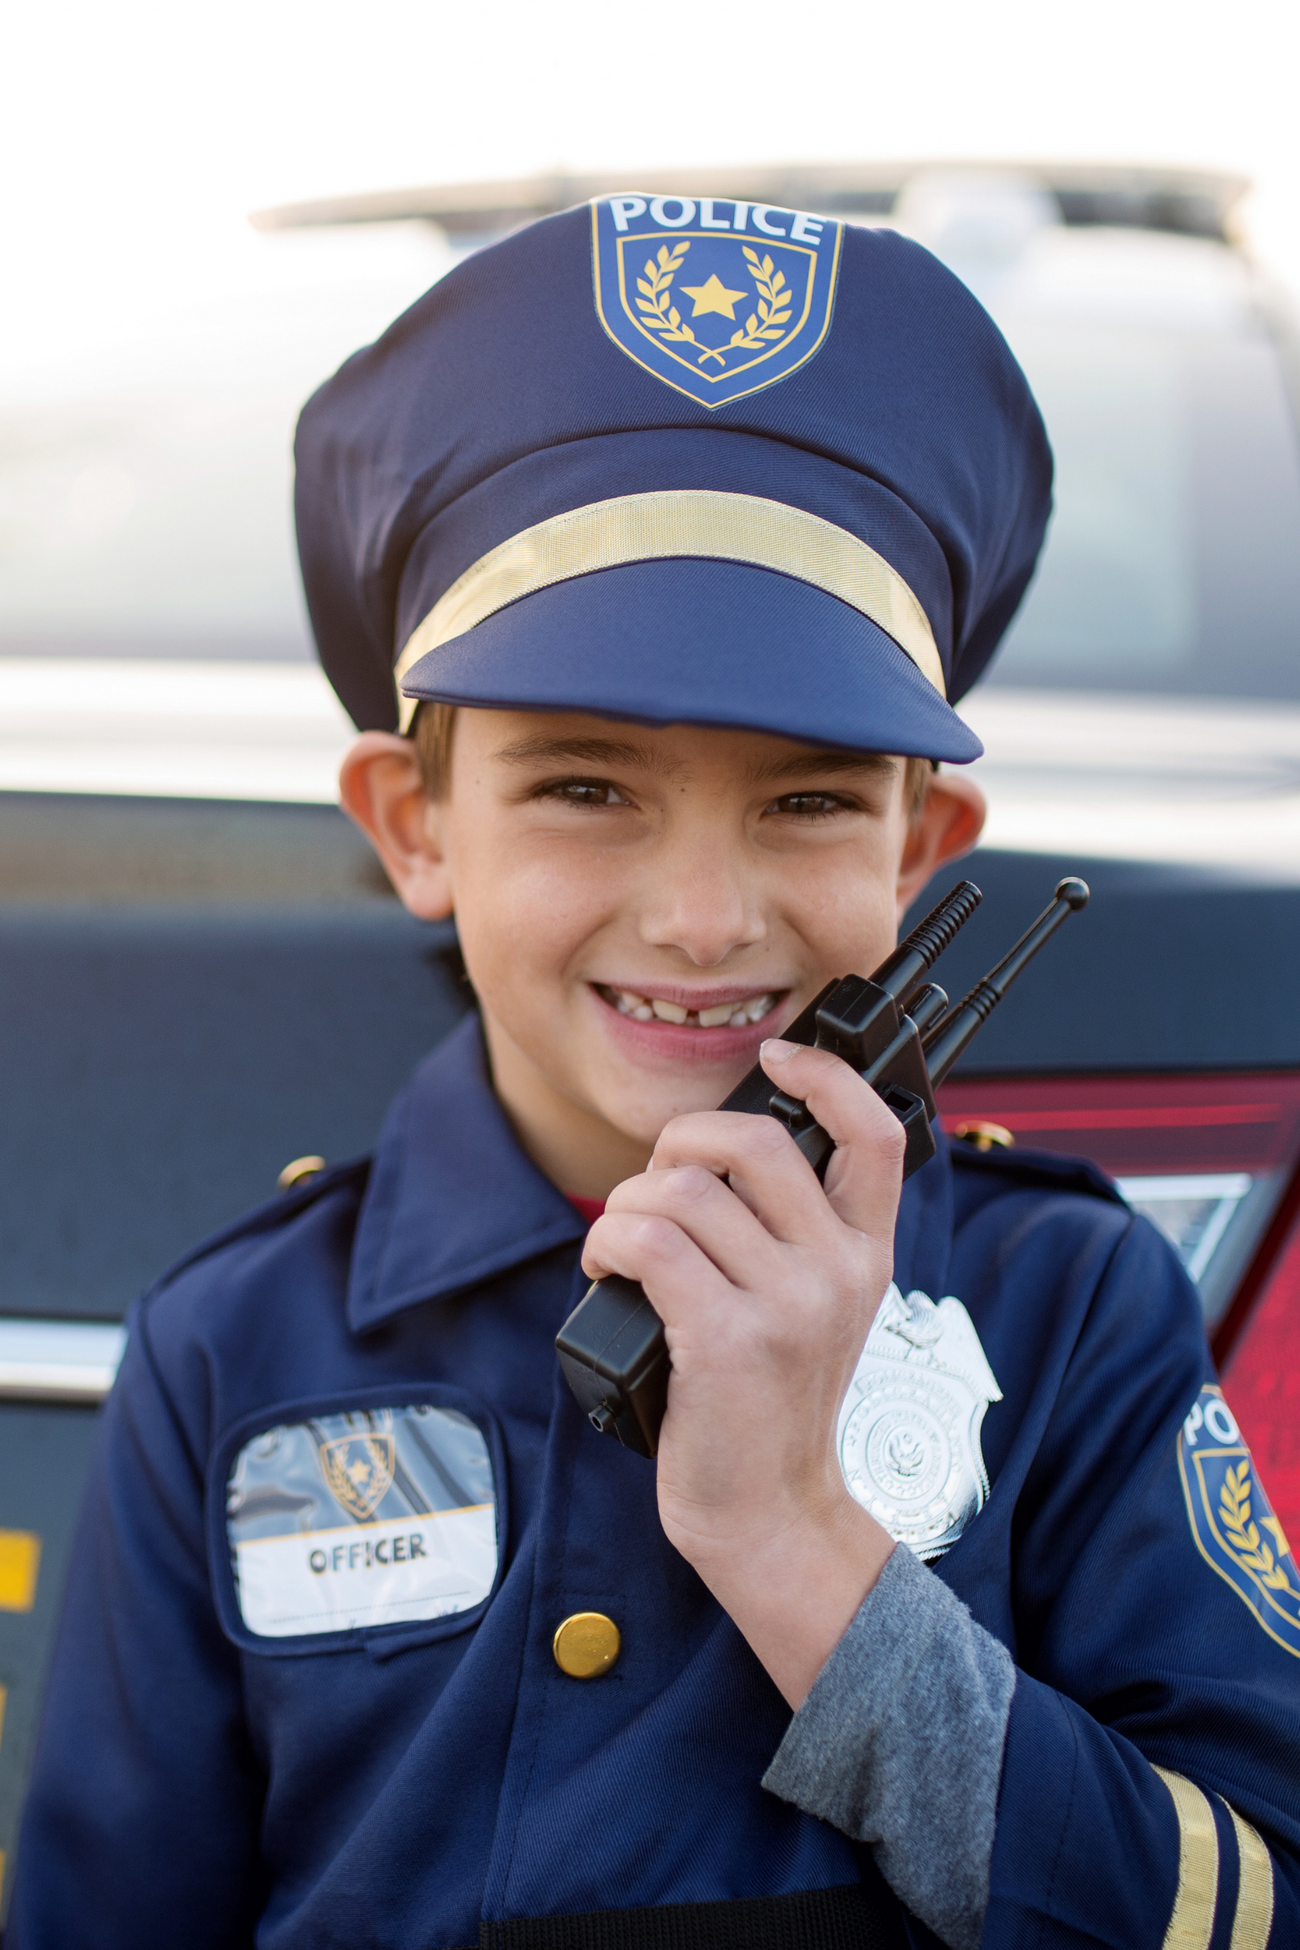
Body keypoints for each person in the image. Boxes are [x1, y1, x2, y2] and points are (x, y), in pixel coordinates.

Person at [10, 193, 1300, 1950]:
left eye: (810, 797)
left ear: (924, 847)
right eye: (584, 783)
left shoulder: (1067, 1304)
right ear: (413, 823)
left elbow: (1252, 1905)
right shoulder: (228, 1345)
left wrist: (803, 1548)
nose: (703, 919)